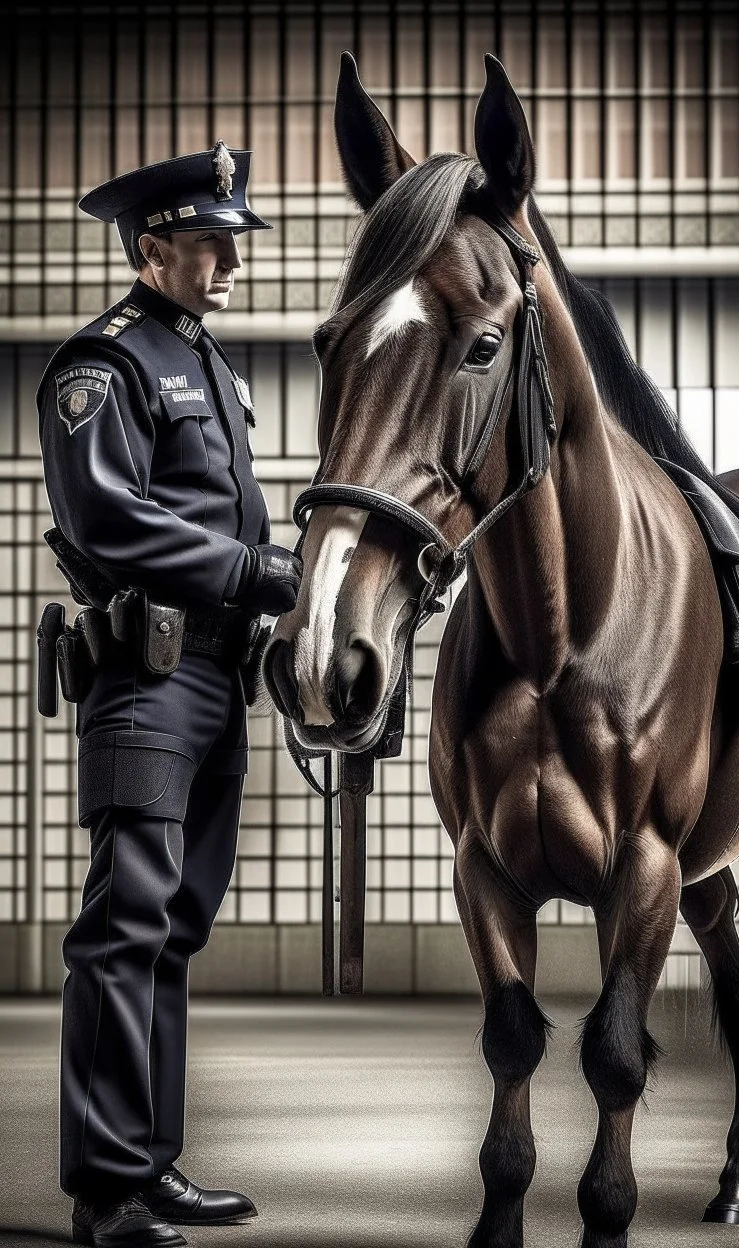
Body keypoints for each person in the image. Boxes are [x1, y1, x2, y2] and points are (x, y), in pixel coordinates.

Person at [37, 142, 301, 1248]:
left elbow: (224, 517)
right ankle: (105, 1191)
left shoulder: (213, 368)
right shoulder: (103, 366)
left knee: (175, 928)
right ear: (153, 249)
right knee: (124, 926)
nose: (230, 260)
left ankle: (151, 1166)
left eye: (233, 241)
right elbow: (109, 519)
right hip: (145, 684)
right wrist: (253, 573)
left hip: (215, 680)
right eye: (211, 241)